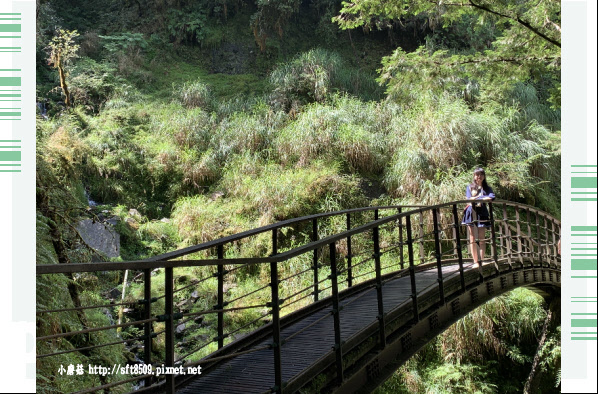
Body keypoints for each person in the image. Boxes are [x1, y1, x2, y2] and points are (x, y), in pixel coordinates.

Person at [462, 167, 495, 267]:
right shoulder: (470, 187)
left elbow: (491, 197)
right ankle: (476, 261)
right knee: (472, 238)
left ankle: (481, 261)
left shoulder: (487, 188)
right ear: (474, 176)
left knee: (481, 238)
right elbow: (469, 199)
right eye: (477, 174)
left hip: (482, 213)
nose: (479, 177)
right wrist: (482, 198)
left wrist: (477, 198)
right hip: (471, 212)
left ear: (484, 176)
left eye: (481, 174)